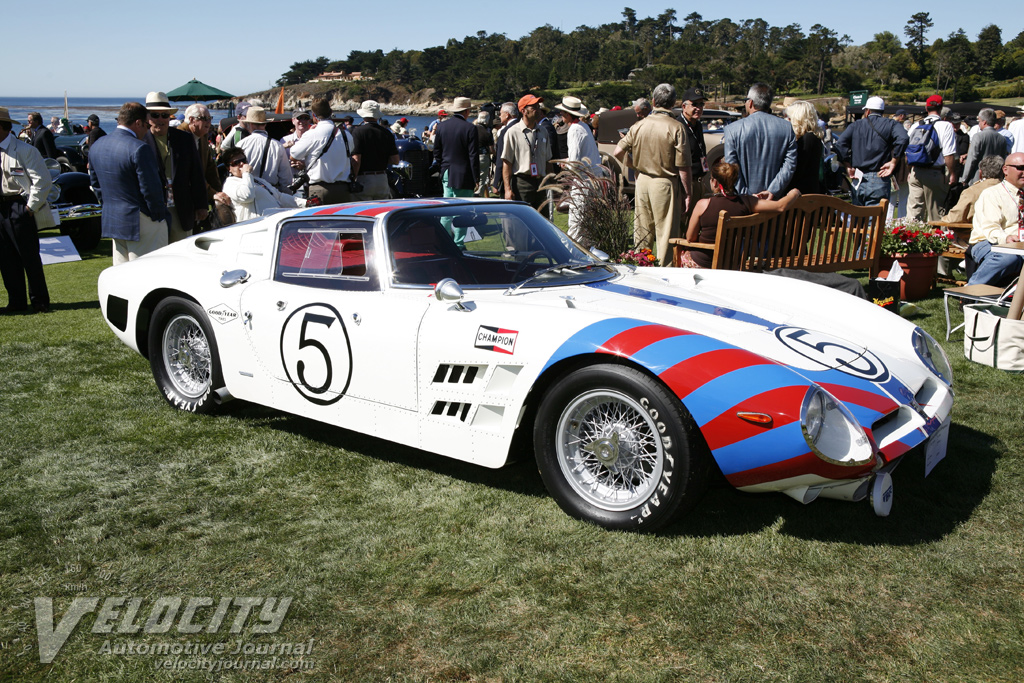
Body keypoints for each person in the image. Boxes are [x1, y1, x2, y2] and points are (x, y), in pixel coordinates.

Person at [612, 83, 691, 267]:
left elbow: (618, 152)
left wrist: (635, 166)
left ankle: (641, 270)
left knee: (642, 233)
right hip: (665, 182)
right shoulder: (677, 127)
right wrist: (687, 193)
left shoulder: (638, 125)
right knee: (666, 235)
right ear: (673, 103)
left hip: (643, 181)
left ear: (654, 101)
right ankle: (665, 274)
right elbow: (683, 166)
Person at [87, 101, 168, 265]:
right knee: (148, 271)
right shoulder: (139, 148)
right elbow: (150, 189)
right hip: (142, 219)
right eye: (146, 124)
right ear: (138, 123)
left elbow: (96, 185)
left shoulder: (97, 146)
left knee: (121, 273)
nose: (147, 130)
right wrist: (158, 215)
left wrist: (108, 205)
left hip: (114, 217)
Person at [679, 160, 801, 268]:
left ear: (715, 183)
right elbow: (780, 206)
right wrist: (794, 193)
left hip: (704, 263)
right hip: (732, 264)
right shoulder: (747, 202)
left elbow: (690, 238)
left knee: (682, 253)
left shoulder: (703, 204)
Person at [0, 107, 55, 314]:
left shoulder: (24, 150)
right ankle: (16, 301)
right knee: (5, 259)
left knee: (29, 257)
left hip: (19, 206)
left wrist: (29, 208)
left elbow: (42, 181)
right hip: (1, 207)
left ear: (2, 127)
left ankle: (39, 300)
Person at [143, 91, 207, 243]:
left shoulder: (184, 139)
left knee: (181, 253)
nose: (160, 120)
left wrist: (201, 205)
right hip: (151, 211)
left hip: (181, 209)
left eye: (164, 115)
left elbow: (196, 174)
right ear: (147, 117)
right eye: (155, 115)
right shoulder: (139, 140)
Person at [722, 83, 796, 199]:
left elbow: (731, 166)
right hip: (775, 201)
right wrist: (773, 190)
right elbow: (790, 165)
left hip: (743, 201)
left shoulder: (732, 129)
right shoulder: (786, 128)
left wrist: (745, 194)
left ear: (750, 102)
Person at [832, 96, 908, 206]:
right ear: (882, 111)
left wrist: (847, 165)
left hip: (858, 177)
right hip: (879, 177)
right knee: (875, 220)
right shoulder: (891, 124)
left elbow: (839, 144)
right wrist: (893, 161)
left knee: (858, 219)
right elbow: (903, 139)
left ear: (867, 111)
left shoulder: (855, 125)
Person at [966, 152, 1024, 286]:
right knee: (1008, 258)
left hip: (1020, 244)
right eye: (1020, 168)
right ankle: (970, 292)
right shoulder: (992, 194)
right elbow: (990, 229)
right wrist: (1007, 239)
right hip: (987, 242)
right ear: (1005, 170)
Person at [289, 99, 354, 206]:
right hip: (344, 189)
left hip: (319, 188)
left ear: (314, 116)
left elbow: (293, 156)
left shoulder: (312, 134)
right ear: (331, 112)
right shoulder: (346, 135)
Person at [554, 96, 601, 241]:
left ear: (568, 115)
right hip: (593, 178)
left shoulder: (574, 129)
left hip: (583, 181)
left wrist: (565, 163)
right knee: (588, 223)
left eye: (562, 113)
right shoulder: (584, 126)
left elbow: (574, 163)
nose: (561, 116)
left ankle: (573, 255)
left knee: (576, 222)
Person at [906, 95, 958, 222]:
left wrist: (909, 171)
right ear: (941, 108)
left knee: (914, 212)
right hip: (934, 172)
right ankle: (936, 239)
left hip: (915, 171)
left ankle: (910, 239)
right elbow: (949, 154)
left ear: (926, 107)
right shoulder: (945, 126)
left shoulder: (915, 125)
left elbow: (908, 150)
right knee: (936, 212)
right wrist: (952, 173)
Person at [220, 148, 305, 221]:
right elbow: (247, 196)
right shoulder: (230, 184)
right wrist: (246, 173)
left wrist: (304, 203)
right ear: (229, 168)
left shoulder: (257, 180)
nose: (242, 164)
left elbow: (278, 196)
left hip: (273, 221)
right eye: (236, 162)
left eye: (243, 160)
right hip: (254, 227)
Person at [501, 94, 552, 211]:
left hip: (541, 182)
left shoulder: (543, 131)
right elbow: (507, 162)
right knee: (522, 221)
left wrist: (553, 183)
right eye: (534, 107)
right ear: (523, 111)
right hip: (522, 183)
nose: (538, 110)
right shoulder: (512, 132)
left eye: (538, 107)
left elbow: (548, 160)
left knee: (542, 221)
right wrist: (507, 189)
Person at [181, 103, 226, 230]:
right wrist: (212, 194)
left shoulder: (202, 136)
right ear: (191, 120)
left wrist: (218, 192)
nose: (209, 122)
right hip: (185, 200)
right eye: (204, 118)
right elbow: (190, 174)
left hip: (200, 196)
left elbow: (210, 168)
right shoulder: (180, 136)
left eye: (210, 118)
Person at [349, 100, 399, 200]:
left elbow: (356, 159)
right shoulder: (387, 133)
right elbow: (395, 160)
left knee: (362, 212)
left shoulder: (358, 132)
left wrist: (353, 179)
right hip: (382, 179)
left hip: (364, 178)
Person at [236, 106, 292, 193]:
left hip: (249, 191)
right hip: (271, 193)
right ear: (265, 124)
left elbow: (236, 173)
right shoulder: (277, 145)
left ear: (250, 124)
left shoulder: (241, 144)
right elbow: (286, 179)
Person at [942, 155, 1003, 224]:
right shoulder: (1010, 190)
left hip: (972, 233)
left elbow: (954, 218)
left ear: (980, 173)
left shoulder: (971, 192)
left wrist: (943, 218)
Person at [963, 109, 1011, 186]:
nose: (979, 124)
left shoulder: (978, 136)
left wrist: (964, 178)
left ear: (984, 122)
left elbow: (972, 159)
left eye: (979, 121)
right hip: (996, 180)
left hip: (978, 178)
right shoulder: (1002, 139)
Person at [679, 86, 707, 210]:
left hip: (700, 181)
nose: (698, 108)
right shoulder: (678, 126)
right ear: (684, 106)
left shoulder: (698, 125)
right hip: (685, 183)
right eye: (694, 104)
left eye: (701, 104)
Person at [490, 102, 518, 198]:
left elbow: (501, 158)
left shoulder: (505, 131)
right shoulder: (521, 127)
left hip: (508, 175)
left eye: (501, 113)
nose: (499, 116)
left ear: (507, 114)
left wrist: (496, 182)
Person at [474, 111, 494, 196]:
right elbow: (491, 149)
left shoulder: (472, 128)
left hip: (473, 155)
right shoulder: (487, 131)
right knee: (482, 178)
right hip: (483, 156)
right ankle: (479, 194)